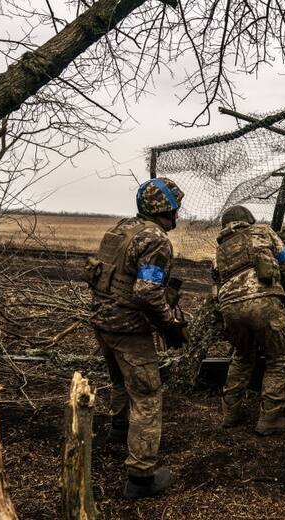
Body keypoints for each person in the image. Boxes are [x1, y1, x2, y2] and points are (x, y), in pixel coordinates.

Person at [85, 177, 186, 499]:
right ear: (168, 209)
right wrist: (170, 325)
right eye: (175, 208)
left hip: (102, 321)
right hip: (129, 329)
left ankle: (119, 430)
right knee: (147, 395)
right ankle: (141, 475)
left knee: (119, 382)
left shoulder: (121, 230)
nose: (177, 215)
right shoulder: (155, 240)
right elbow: (146, 292)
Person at [214, 205, 285, 435]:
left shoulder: (221, 250)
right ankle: (270, 418)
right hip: (265, 303)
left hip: (229, 308)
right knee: (278, 360)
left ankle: (230, 414)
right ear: (248, 219)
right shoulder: (263, 231)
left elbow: (216, 285)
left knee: (242, 357)